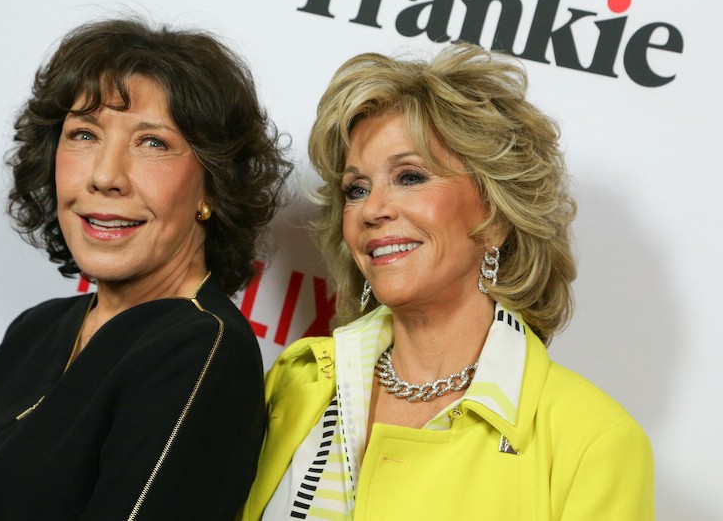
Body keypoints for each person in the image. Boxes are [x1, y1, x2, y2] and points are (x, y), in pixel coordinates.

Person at [241, 43, 653, 520]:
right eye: (357, 189)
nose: (372, 210)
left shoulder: (594, 443)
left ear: (496, 215)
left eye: (410, 177)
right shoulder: (298, 382)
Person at [0, 18, 292, 520]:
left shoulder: (199, 349)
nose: (104, 176)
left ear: (211, 184)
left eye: (152, 143)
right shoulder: (38, 328)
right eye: (84, 134)